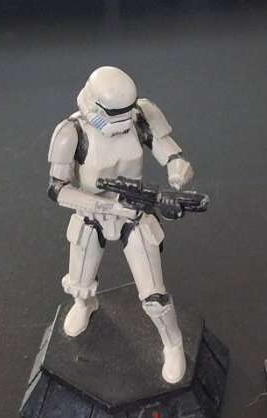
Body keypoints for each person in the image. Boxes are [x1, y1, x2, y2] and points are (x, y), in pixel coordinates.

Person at [47, 66, 195, 383]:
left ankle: (173, 343)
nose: (121, 121)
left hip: (135, 214)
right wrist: (106, 206)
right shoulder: (71, 132)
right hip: (91, 214)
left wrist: (178, 167)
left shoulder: (141, 115)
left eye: (125, 113)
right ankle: (85, 304)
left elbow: (169, 150)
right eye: (114, 113)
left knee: (154, 296)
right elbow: (58, 189)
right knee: (80, 282)